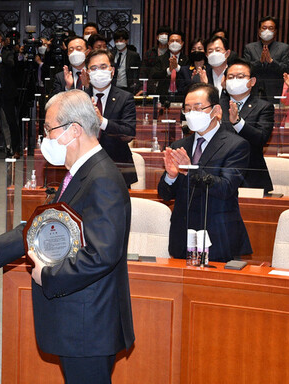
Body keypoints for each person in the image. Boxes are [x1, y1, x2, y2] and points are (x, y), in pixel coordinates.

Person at [0, 89, 134, 384]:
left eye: (49, 129)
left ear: (74, 130)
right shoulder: (81, 172)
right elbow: (46, 226)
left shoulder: (102, 178)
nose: (45, 138)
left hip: (89, 325)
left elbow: (101, 255)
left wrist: (48, 275)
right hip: (81, 322)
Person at [159, 82, 253, 262]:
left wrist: (191, 170)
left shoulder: (236, 145)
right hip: (183, 236)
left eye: (198, 108)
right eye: (187, 109)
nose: (192, 113)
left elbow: (226, 188)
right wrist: (171, 177)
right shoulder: (180, 146)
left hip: (219, 236)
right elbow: (164, 194)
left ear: (216, 110)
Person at [220, 59, 274, 192]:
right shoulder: (217, 106)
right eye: (231, 77)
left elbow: (261, 138)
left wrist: (238, 123)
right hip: (220, 175)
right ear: (224, 81)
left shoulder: (264, 107)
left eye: (241, 77)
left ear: (252, 81)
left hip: (251, 177)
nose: (235, 80)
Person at [85, 49, 138, 188]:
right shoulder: (80, 97)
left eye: (103, 67)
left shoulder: (125, 97)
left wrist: (102, 122)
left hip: (118, 168)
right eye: (94, 68)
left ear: (112, 71)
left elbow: (129, 132)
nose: (99, 71)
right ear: (87, 72)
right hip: (86, 168)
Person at [242, 16, 289, 101]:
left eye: (271, 28)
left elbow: (287, 69)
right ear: (259, 31)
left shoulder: (283, 48)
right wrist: (259, 62)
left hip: (275, 91)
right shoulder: (249, 48)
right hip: (254, 91)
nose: (267, 30)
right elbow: (245, 69)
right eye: (264, 28)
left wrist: (272, 62)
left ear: (275, 31)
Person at [147, 31, 188, 103]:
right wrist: (169, 70)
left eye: (177, 41)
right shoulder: (160, 59)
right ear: (168, 43)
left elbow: (188, 77)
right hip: (164, 95)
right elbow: (154, 75)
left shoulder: (187, 59)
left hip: (181, 95)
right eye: (172, 41)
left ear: (182, 43)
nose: (174, 43)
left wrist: (177, 68)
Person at [112, 29, 141, 94]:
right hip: (113, 88)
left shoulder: (134, 55)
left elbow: (139, 72)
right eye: (116, 41)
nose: (119, 43)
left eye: (121, 40)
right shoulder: (111, 54)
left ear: (126, 41)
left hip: (128, 88)